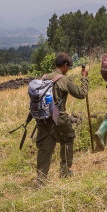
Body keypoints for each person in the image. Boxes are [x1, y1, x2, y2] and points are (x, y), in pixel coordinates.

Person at [36, 52, 89, 187]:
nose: (68, 69)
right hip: (58, 117)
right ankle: (65, 172)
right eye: (69, 66)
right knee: (67, 139)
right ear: (65, 65)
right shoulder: (63, 79)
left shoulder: (44, 77)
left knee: (45, 147)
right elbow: (81, 94)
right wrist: (84, 78)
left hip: (43, 118)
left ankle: (41, 179)